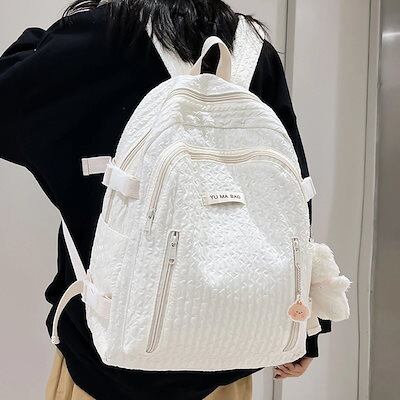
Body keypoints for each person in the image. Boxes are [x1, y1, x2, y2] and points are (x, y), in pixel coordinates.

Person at [0, 1, 332, 399]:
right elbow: (293, 190)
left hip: (104, 360)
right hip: (228, 352)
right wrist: (308, 327)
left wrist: (54, 34)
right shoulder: (249, 47)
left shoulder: (98, 36)